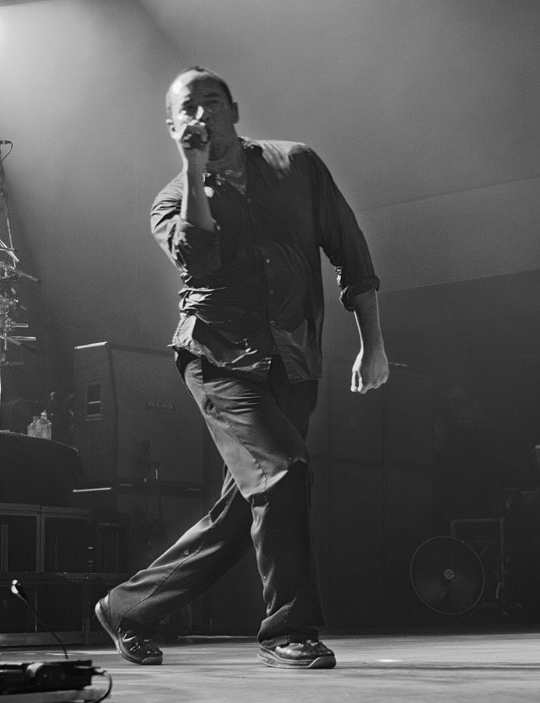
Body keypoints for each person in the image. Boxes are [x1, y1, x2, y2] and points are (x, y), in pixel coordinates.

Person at [94, 67, 389, 670]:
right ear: (173, 126)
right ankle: (289, 630)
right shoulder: (172, 200)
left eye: (212, 102)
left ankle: (128, 608)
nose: (202, 115)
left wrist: (373, 344)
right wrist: (195, 171)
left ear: (234, 110)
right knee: (284, 472)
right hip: (217, 358)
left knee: (245, 510)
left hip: (294, 359)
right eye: (188, 108)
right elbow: (199, 262)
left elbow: (351, 252)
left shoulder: (296, 165)